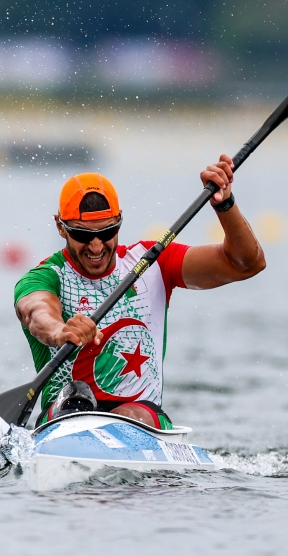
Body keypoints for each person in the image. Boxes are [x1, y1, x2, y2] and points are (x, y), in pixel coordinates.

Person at [13, 155, 266, 429]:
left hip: (142, 420)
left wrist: (225, 205)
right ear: (60, 227)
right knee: (75, 401)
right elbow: (35, 312)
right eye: (83, 235)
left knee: (134, 414)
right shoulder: (47, 277)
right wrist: (60, 331)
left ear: (120, 221)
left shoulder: (152, 263)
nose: (96, 247)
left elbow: (246, 264)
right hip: (65, 417)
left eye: (108, 231)